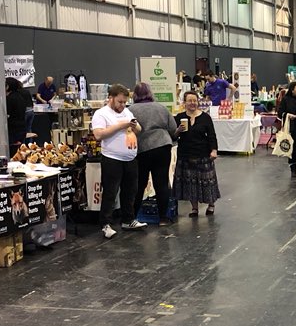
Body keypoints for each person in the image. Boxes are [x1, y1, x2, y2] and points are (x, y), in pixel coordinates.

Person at [91, 83, 146, 239]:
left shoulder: (127, 112)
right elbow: (99, 135)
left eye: (124, 102)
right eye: (120, 102)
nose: (122, 105)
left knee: (130, 191)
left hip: (130, 158)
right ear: (111, 98)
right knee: (110, 192)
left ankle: (128, 219)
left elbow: (140, 129)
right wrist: (121, 125)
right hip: (112, 159)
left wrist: (133, 126)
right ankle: (105, 224)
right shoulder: (101, 114)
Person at [130, 81, 178, 226]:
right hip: (162, 146)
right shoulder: (161, 107)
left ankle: (133, 217)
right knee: (161, 182)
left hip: (141, 149)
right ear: (150, 93)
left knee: (139, 184)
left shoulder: (131, 110)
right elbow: (173, 128)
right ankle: (163, 218)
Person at [174, 91, 220, 216]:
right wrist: (178, 131)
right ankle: (194, 208)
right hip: (185, 154)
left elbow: (212, 136)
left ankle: (211, 205)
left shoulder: (205, 117)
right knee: (190, 183)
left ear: (198, 102)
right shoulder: (179, 117)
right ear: (185, 103)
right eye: (189, 100)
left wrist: (214, 150)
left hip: (203, 154)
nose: (192, 103)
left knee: (207, 182)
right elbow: (172, 136)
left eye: (194, 100)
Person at [5, 77, 28, 151]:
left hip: (13, 130)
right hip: (22, 128)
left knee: (13, 151)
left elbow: (7, 114)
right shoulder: (20, 97)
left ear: (8, 86)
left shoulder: (9, 99)